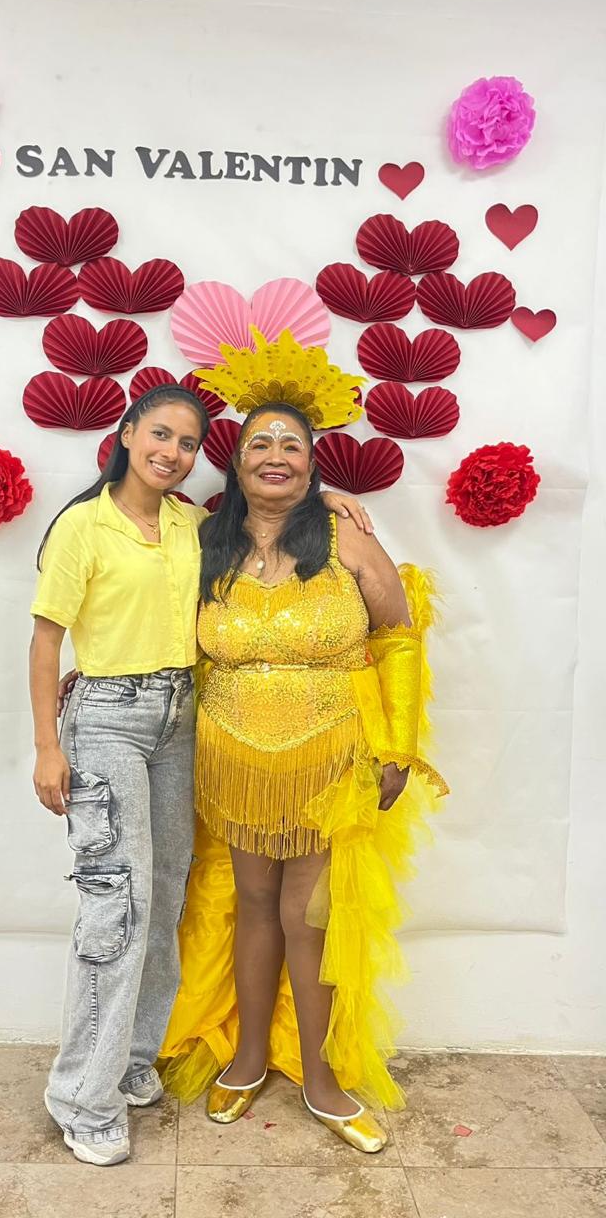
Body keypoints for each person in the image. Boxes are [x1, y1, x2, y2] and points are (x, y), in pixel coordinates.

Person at [29, 382, 371, 1166]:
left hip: (181, 716)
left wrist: (331, 496)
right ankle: (82, 1097)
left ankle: (131, 1060)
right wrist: (49, 746)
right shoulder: (83, 525)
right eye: (160, 434)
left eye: (187, 443)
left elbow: (270, 509)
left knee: (164, 896)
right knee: (117, 907)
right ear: (126, 433)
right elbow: (46, 640)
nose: (173, 452)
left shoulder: (191, 523)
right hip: (110, 718)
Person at [159, 392, 450, 1153]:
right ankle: (249, 1058)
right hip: (233, 763)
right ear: (235, 463)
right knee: (254, 905)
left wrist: (397, 746)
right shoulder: (202, 542)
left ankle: (322, 1081)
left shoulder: (346, 537)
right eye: (260, 444)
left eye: (292, 445)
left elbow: (398, 636)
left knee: (306, 914)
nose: (276, 456)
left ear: (313, 463)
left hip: (330, 758)